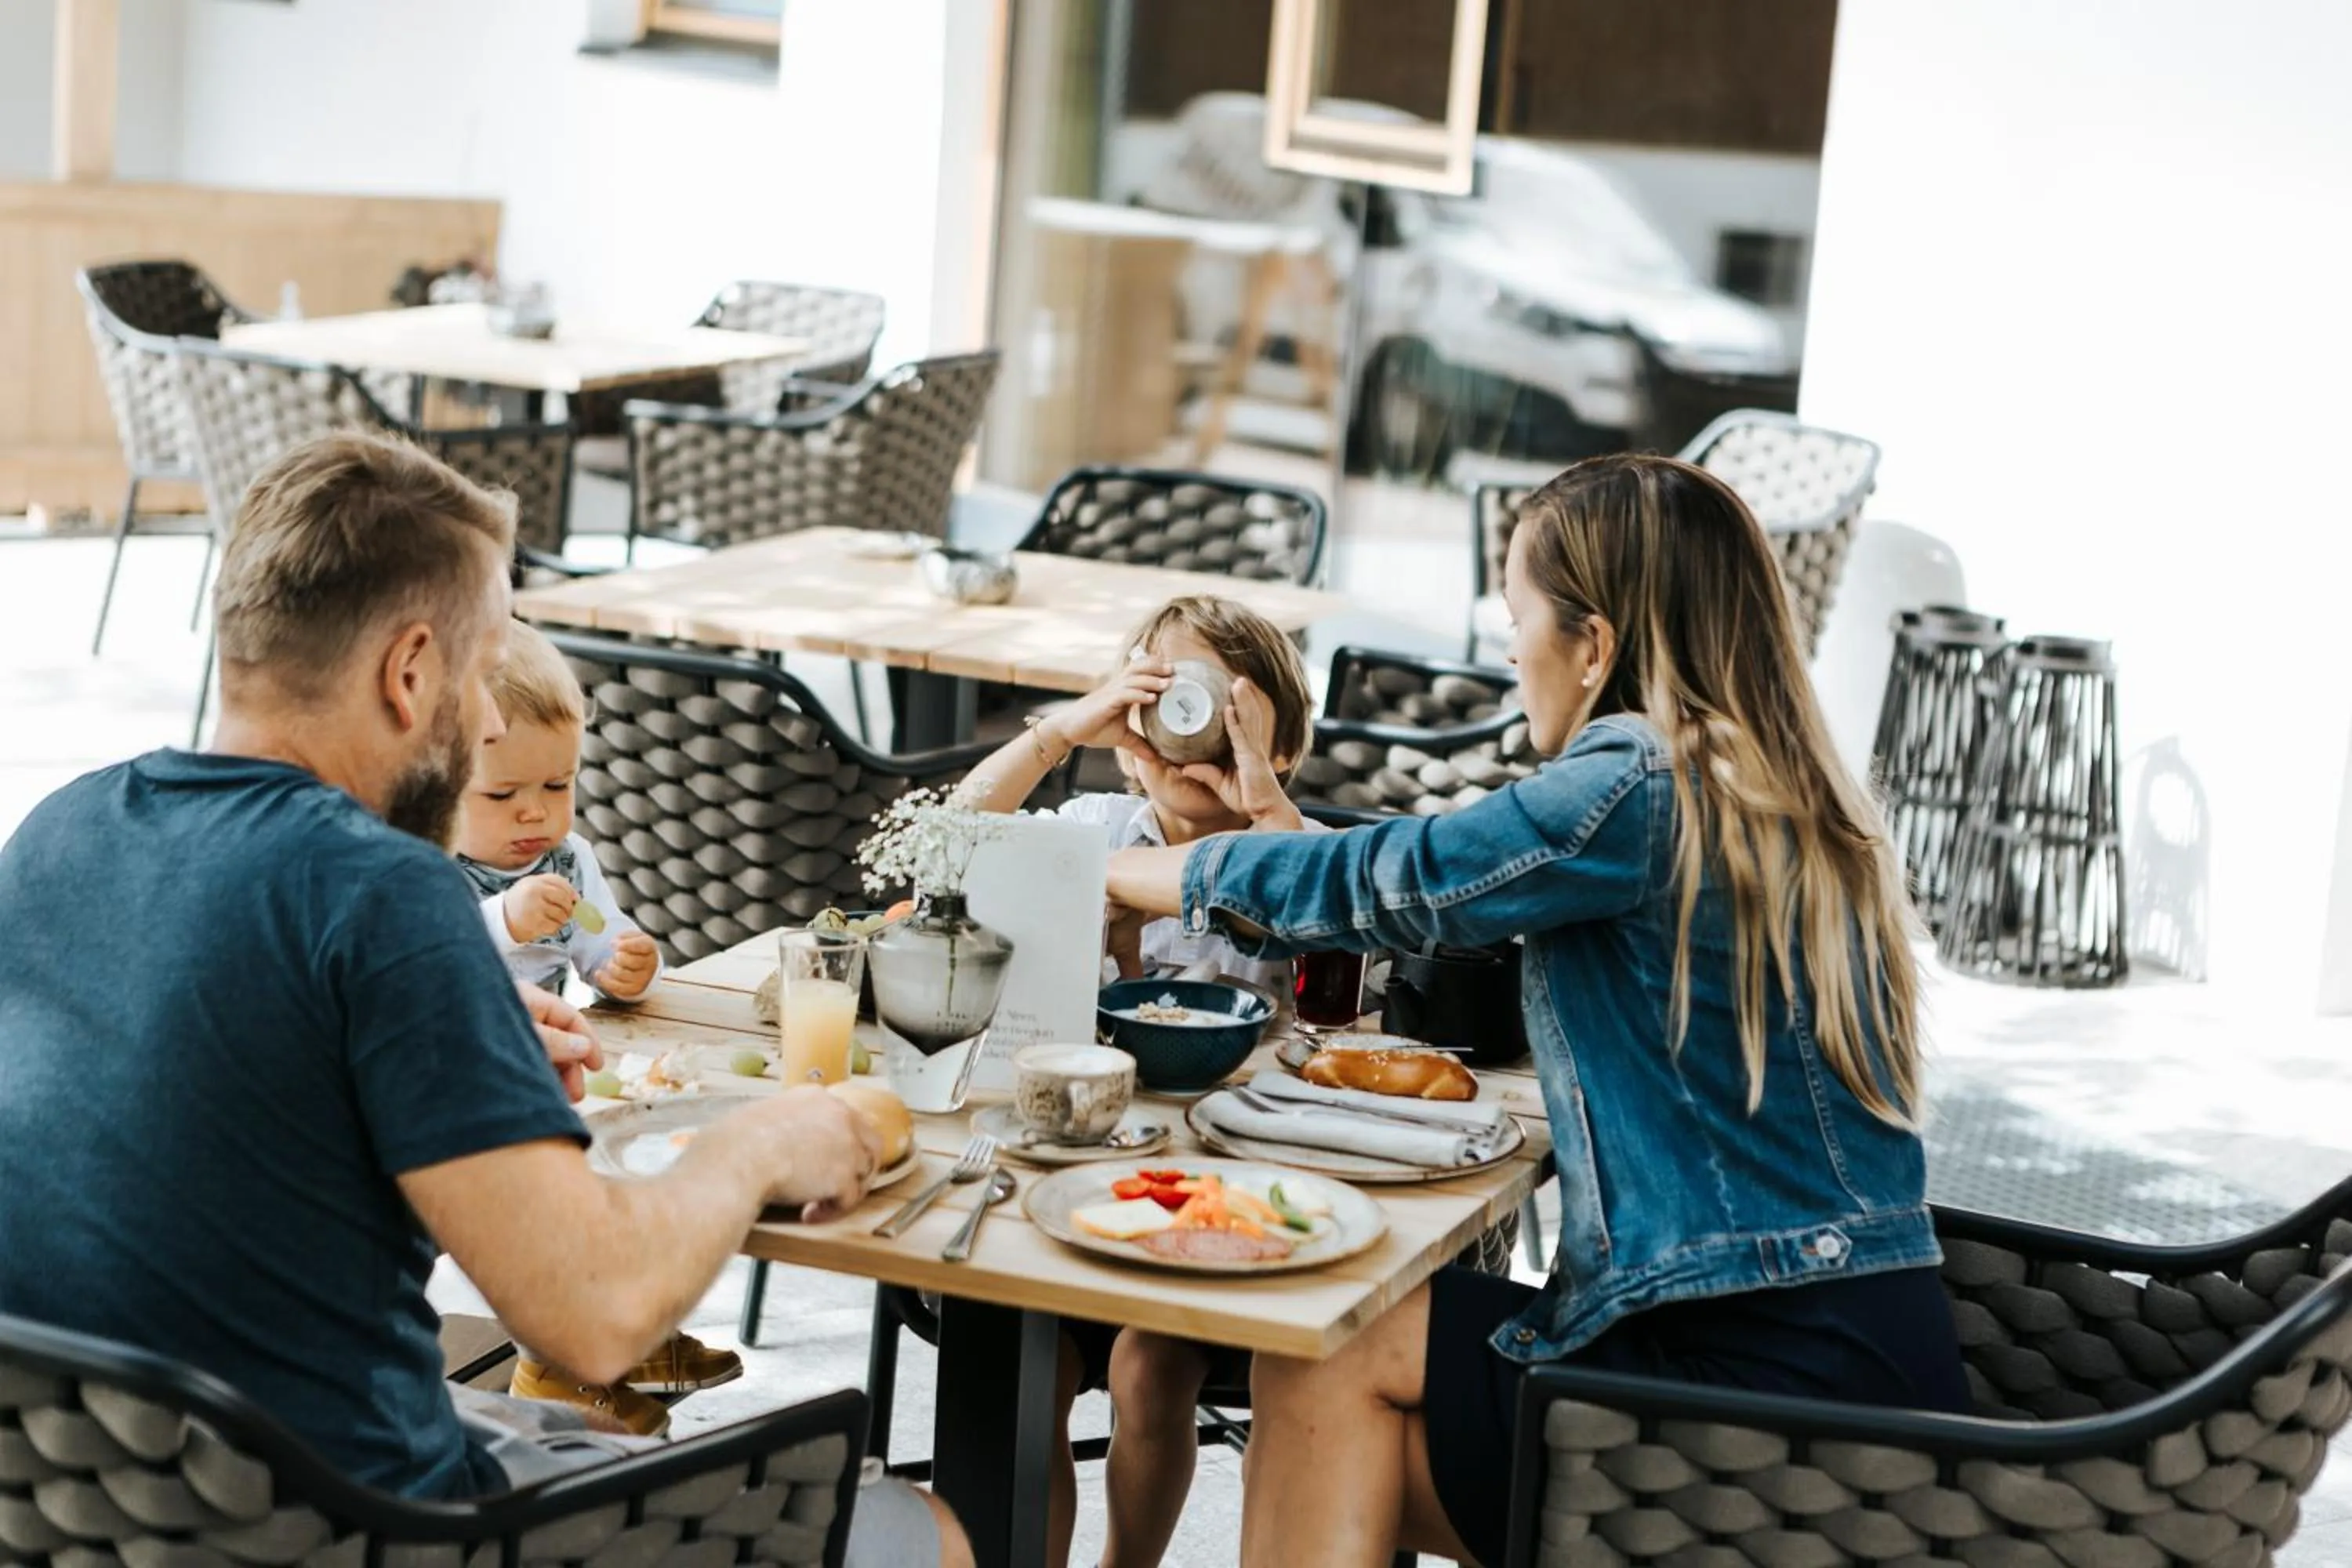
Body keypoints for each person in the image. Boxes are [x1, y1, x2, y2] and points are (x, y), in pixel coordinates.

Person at [0, 433, 968, 1568]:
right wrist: (760, 1144)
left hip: (86, 1510)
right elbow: (597, 1313)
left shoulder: (60, 830)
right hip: (361, 1526)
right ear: (411, 672)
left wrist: (449, 1039)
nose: (491, 721)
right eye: (480, 670)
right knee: (921, 1530)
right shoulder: (381, 890)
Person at [1105, 453, 1969, 1568]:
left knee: (1327, 1351)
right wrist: (1269, 826)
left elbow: (1403, 877)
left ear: (1595, 644)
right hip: (1847, 1353)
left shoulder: (1636, 783)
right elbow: (1436, 892)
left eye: (1517, 617)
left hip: (1747, 1385)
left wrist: (1151, 872)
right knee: (1334, 1358)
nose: (1509, 648)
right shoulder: (1767, 785)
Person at [959, 594, 1321, 1568]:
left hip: (1223, 1203)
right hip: (1073, 1176)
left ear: (1282, 743)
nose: (1192, 721)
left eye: (1227, 703)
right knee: (1020, 1359)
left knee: (1148, 1363)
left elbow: (1329, 929)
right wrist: (1064, 728)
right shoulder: (1093, 825)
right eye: (1164, 695)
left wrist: (1258, 800)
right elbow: (946, 842)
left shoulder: (1300, 848)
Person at [450, 618, 746, 1436]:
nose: (534, 814)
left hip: (562, 1060)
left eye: (558, 785)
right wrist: (506, 918)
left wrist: (627, 963)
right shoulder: (426, 857)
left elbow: (600, 941)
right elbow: (429, 955)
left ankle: (631, 1333)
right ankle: (555, 1365)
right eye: (502, 794)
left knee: (641, 1158)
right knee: (560, 1188)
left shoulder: (568, 857)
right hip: (467, 1074)